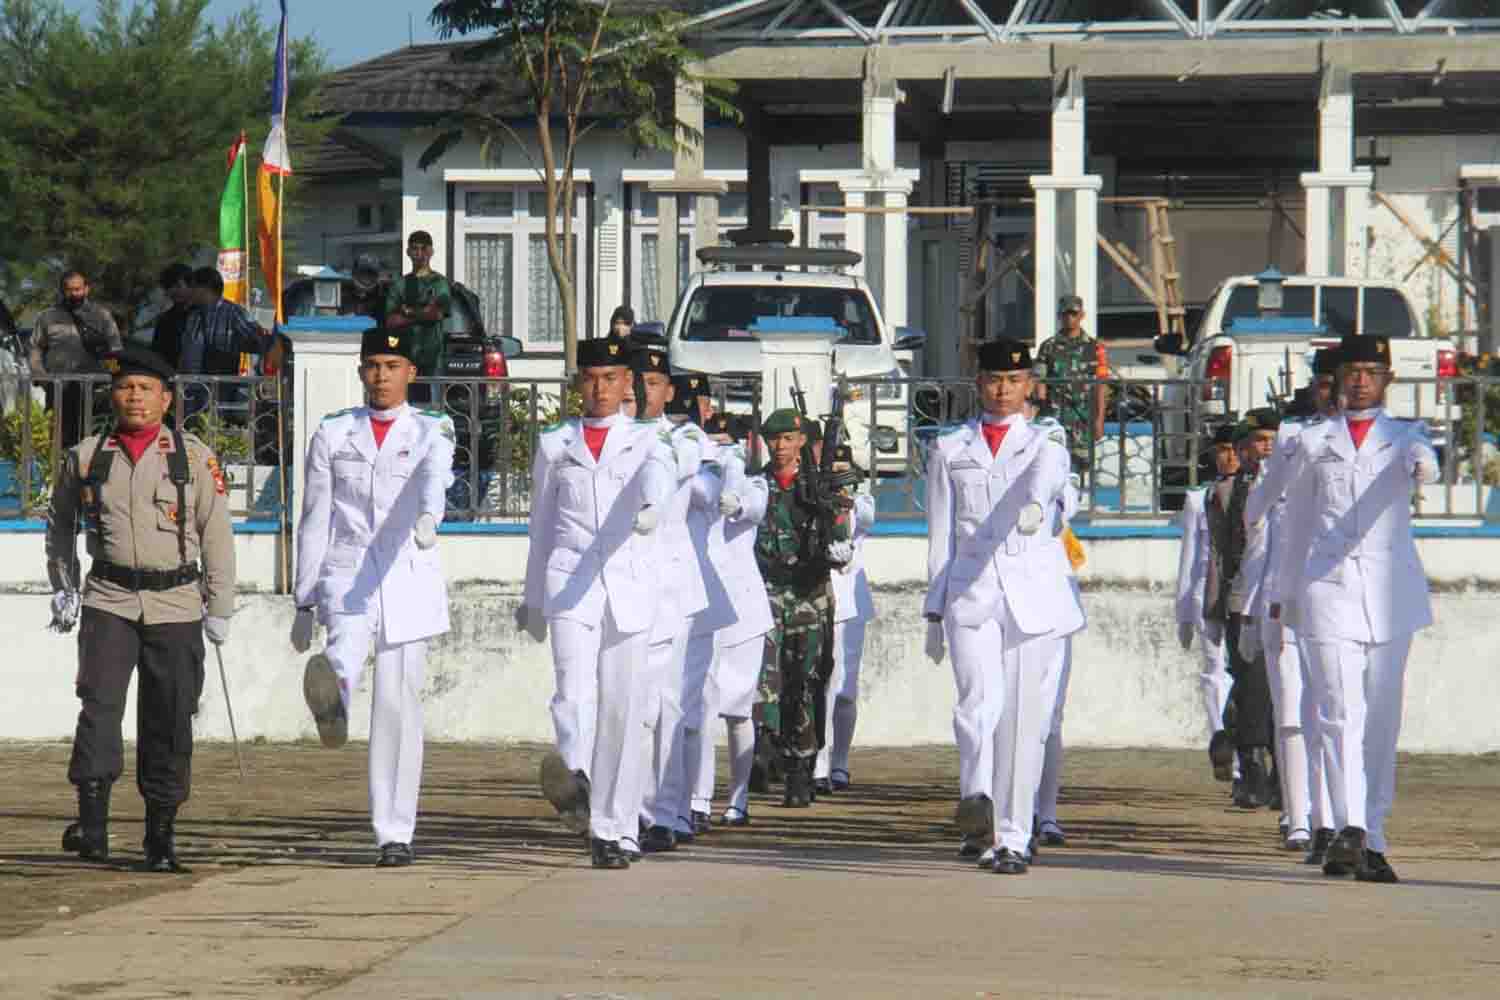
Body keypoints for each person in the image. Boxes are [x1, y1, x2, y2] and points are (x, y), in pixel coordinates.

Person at [44, 346, 235, 872]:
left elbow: (216, 534)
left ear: (166, 398)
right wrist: (63, 584)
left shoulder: (193, 458)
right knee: (99, 708)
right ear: (113, 394)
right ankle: (94, 828)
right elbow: (60, 526)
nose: (135, 397)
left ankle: (160, 839)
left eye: (146, 388)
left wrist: (219, 605)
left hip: (175, 603)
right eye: (126, 387)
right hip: (109, 600)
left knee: (170, 717)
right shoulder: (86, 456)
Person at [1269, 333, 1436, 884]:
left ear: (1388, 379)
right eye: (1352, 372)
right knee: (1338, 711)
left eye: (1371, 371)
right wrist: (1284, 594)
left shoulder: (1406, 436)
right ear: (1336, 380)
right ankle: (1348, 827)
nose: (1360, 380)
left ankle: (1374, 832)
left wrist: (1423, 467)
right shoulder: (1314, 441)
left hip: (1389, 595)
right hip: (1328, 588)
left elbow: (1426, 461)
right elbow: (1292, 525)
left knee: (1381, 719)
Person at [291, 326, 456, 868]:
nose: (381, 376)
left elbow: (436, 476)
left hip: (408, 570)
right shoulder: (336, 432)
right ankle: (333, 693)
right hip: (348, 565)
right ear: (361, 372)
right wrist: (303, 594)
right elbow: (315, 515)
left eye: (392, 365)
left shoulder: (433, 428)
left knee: (397, 706)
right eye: (373, 366)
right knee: (345, 640)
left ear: (411, 371)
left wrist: (432, 516)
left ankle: (394, 832)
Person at [924, 338, 1082, 875]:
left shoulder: (1046, 442)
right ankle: (976, 797)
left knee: (1020, 719)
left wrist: (1038, 506)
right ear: (979, 383)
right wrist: (933, 608)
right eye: (993, 379)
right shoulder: (949, 449)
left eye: (1014, 381)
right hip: (971, 592)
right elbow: (940, 534)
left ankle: (1011, 837)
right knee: (976, 704)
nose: (1002, 389)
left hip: (1032, 597)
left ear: (1030, 385)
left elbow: (1050, 481)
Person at [518, 334, 674, 870]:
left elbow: (659, 478)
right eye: (591, 378)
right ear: (577, 382)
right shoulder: (555, 444)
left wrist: (650, 506)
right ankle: (577, 776)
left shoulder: (649, 442)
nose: (600, 389)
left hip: (628, 583)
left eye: (611, 379)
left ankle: (612, 828)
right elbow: (540, 526)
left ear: (627, 383)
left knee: (623, 710)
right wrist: (531, 596)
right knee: (572, 692)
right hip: (569, 580)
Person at [1246, 347, 1341, 863]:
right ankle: (1301, 817)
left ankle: (1334, 817)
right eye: (1326, 384)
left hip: (1344, 595)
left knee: (1336, 710)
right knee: (1291, 713)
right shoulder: (1293, 441)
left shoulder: (1380, 441)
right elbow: (1259, 523)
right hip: (1286, 597)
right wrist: (1255, 602)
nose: (1335, 393)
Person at [626, 334, 708, 855]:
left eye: (652, 382)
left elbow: (676, 467)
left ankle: (667, 810)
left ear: (668, 390)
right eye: (633, 380)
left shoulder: (683, 438)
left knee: (665, 703)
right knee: (626, 702)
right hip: (621, 586)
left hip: (671, 588)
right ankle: (626, 808)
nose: (641, 389)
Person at [753, 408, 851, 808]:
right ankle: (766, 751)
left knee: (807, 682)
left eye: (788, 440)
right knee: (764, 682)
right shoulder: (756, 487)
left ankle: (801, 768)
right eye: (774, 440)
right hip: (767, 594)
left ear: (800, 443)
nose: (780, 447)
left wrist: (839, 541)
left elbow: (841, 538)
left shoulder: (820, 487)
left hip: (810, 594)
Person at [681, 409, 771, 829]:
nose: (724, 448)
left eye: (729, 441)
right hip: (703, 606)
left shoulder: (753, 483)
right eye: (714, 440)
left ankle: (738, 797)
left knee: (738, 711)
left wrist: (735, 502)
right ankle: (697, 798)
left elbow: (753, 506)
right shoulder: (695, 485)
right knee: (701, 705)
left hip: (744, 613)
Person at [1207, 417, 1278, 811]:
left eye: (1272, 440)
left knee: (1279, 686)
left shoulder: (1291, 485)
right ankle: (1251, 766)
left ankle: (1281, 773)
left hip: (1284, 598)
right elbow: (1220, 552)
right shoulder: (1227, 490)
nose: (1265, 448)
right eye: (1258, 441)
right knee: (1250, 680)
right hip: (1241, 599)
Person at [1176, 426, 1241, 784]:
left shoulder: (1254, 493)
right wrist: (1183, 612)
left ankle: (1245, 748)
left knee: (1244, 673)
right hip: (1208, 591)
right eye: (1222, 449)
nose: (1229, 456)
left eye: (1234, 449)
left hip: (1245, 592)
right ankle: (1221, 741)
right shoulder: (1198, 499)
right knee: (1214, 668)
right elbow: (1188, 559)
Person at [814, 446, 875, 795]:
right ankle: (818, 764)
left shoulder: (861, 502)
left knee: (846, 692)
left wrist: (844, 498)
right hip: (820, 597)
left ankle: (840, 762)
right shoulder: (817, 502)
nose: (837, 478)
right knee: (822, 686)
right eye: (831, 470)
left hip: (851, 605)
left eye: (843, 470)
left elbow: (866, 516)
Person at [30, 270, 124, 448]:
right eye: (69, 290)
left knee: (94, 443)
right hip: (59, 389)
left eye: (78, 289)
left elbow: (115, 350)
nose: (74, 294)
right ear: (62, 290)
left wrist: (114, 378)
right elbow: (35, 349)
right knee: (58, 444)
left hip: (95, 391)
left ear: (87, 289)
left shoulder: (102, 315)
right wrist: (42, 378)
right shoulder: (47, 316)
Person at [1034, 295, 1108, 480]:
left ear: (1082, 315)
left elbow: (1101, 385)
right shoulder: (1048, 347)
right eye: (1065, 314)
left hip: (1083, 419)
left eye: (1073, 314)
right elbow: (1039, 382)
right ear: (1059, 316)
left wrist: (1100, 419)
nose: (1069, 318)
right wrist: (1039, 415)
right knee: (1051, 466)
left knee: (1079, 471)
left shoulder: (1096, 347)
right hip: (1055, 417)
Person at [384, 231, 452, 403]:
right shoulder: (399, 284)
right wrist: (423, 312)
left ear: (431, 252)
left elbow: (437, 313)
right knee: (407, 414)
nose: (419, 254)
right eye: (415, 249)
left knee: (432, 416)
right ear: (408, 251)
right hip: (405, 358)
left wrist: (408, 312)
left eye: (424, 249)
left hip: (433, 359)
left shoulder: (439, 282)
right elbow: (390, 321)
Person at [179, 267, 276, 376]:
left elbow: (261, 342)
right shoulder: (193, 316)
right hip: (190, 387)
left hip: (222, 387)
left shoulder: (234, 313)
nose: (189, 292)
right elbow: (185, 355)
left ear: (205, 288)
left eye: (193, 287)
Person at [150, 263, 194, 371]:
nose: (173, 291)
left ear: (191, 285)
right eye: (168, 287)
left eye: (178, 285)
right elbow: (157, 354)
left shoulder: (205, 315)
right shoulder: (165, 320)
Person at [345, 254, 389, 326]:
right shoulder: (343, 296)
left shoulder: (383, 299)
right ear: (354, 274)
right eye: (363, 273)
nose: (366, 278)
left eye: (371, 274)